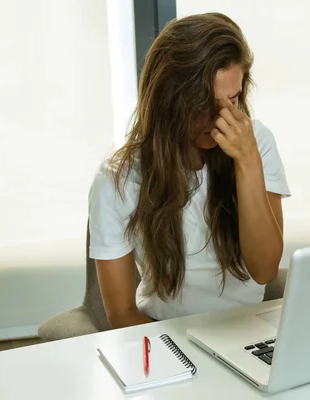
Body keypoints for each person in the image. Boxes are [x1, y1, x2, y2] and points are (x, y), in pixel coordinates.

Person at [88, 12, 290, 328]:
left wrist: (247, 162)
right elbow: (122, 313)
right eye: (205, 103)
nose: (222, 117)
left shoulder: (256, 142)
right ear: (170, 100)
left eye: (233, 99)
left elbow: (264, 270)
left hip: (248, 328)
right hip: (166, 333)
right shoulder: (117, 180)